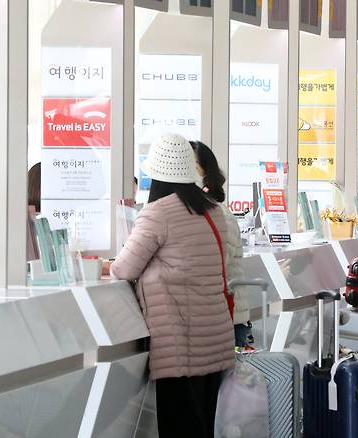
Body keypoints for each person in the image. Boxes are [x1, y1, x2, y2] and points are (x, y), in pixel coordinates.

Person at [111, 133, 234, 438]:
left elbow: (123, 268)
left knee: (179, 426)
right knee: (204, 424)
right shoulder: (212, 210)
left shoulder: (157, 213)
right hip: (214, 337)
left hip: (180, 343)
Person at [191, 140, 251, 349]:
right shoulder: (201, 210)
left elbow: (215, 263)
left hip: (227, 319)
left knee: (230, 382)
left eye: (190, 163)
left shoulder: (218, 214)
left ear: (203, 170)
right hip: (218, 317)